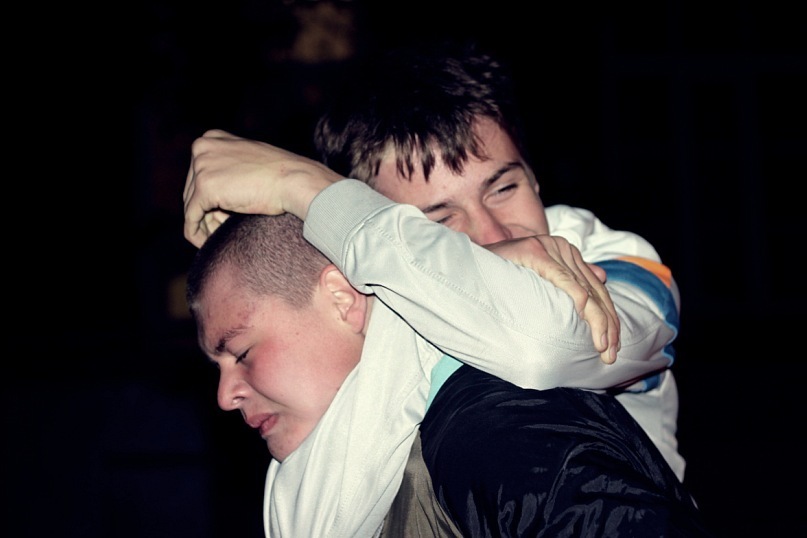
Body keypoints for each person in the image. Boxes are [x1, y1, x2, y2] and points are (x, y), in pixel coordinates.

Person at [182, 42, 685, 535]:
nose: (492, 234)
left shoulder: (619, 262)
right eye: (438, 223)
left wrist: (301, 185)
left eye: (503, 188)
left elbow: (541, 343)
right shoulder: (381, 298)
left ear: (534, 179)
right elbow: (307, 517)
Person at [186, 211, 710, 536]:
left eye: (242, 352)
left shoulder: (495, 422)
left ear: (342, 299)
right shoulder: (346, 472)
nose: (225, 395)